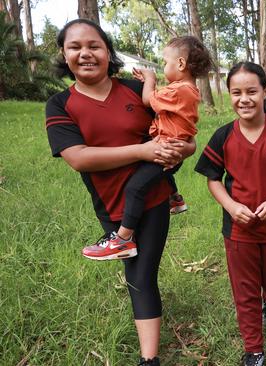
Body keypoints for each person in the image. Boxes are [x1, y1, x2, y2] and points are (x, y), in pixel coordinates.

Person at [45, 19, 195, 365]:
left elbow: (184, 136)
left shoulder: (135, 90)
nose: (86, 53)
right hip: (109, 203)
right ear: (64, 54)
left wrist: (179, 150)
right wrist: (141, 152)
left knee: (141, 276)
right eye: (75, 47)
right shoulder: (59, 104)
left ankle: (149, 359)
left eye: (94, 46)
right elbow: (78, 158)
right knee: (136, 274)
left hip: (153, 196)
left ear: (107, 51)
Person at [194, 62, 266, 366]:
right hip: (238, 230)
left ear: (265, 92)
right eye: (236, 92)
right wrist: (231, 206)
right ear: (229, 95)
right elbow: (212, 178)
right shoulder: (222, 136)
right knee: (244, 291)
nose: (244, 99)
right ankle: (254, 349)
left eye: (252, 91)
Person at [82, 35, 211, 261]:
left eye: (165, 62)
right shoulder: (184, 89)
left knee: (135, 188)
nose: (163, 67)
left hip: (165, 151)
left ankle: (123, 239)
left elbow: (148, 100)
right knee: (155, 173)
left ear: (180, 64)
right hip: (168, 148)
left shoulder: (180, 90)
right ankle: (175, 198)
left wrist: (149, 78)